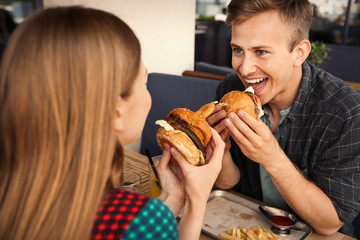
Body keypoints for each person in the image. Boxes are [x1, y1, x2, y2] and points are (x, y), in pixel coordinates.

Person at [0, 6, 225, 240]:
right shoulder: (143, 219)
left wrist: (174, 197)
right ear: (116, 111)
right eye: (145, 83)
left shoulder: (15, 191)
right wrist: (198, 200)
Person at [207, 0, 360, 237]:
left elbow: (330, 224)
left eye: (261, 51)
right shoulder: (231, 90)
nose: (245, 69)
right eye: (238, 50)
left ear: (299, 53)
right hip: (243, 224)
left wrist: (272, 158)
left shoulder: (345, 111)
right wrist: (221, 148)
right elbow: (227, 185)